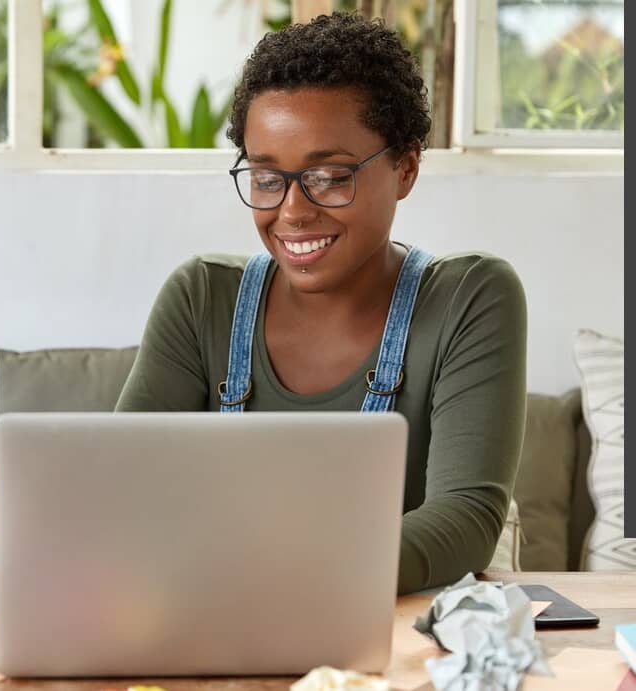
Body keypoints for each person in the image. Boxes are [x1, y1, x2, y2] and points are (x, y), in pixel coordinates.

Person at [115, 12, 527, 594]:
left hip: (388, 633)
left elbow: (465, 519)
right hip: (216, 617)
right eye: (267, 178)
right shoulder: (200, 299)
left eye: (329, 176)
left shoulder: (469, 299)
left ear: (406, 167)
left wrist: (280, 575)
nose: (292, 212)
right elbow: (123, 494)